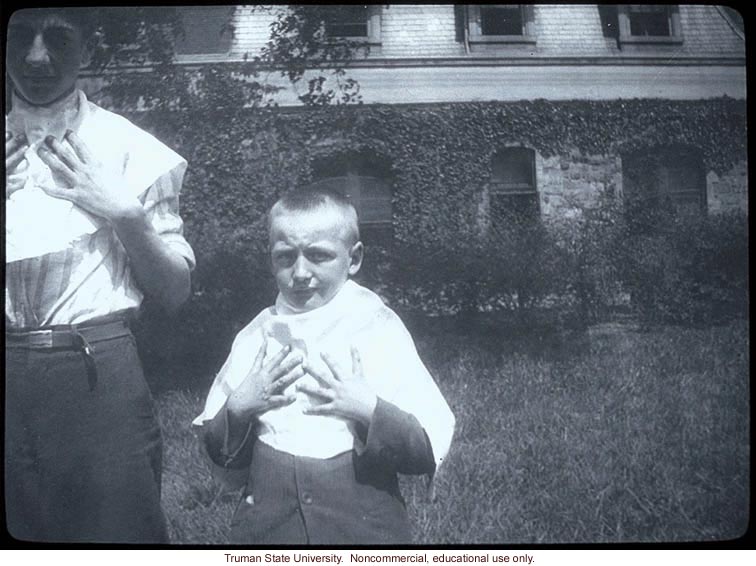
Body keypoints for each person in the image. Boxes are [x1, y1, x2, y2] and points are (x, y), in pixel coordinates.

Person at [5, 8, 195, 543]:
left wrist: (127, 215)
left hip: (94, 377)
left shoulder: (127, 146)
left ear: (86, 49)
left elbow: (175, 292)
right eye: (20, 37)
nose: (36, 57)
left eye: (58, 39)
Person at [193, 187, 455, 544]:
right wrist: (238, 408)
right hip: (270, 530)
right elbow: (225, 460)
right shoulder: (259, 334)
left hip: (362, 529)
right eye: (286, 257)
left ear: (354, 258)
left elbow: (423, 449)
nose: (301, 272)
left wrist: (370, 410)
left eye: (318, 256)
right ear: (271, 260)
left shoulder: (376, 327)